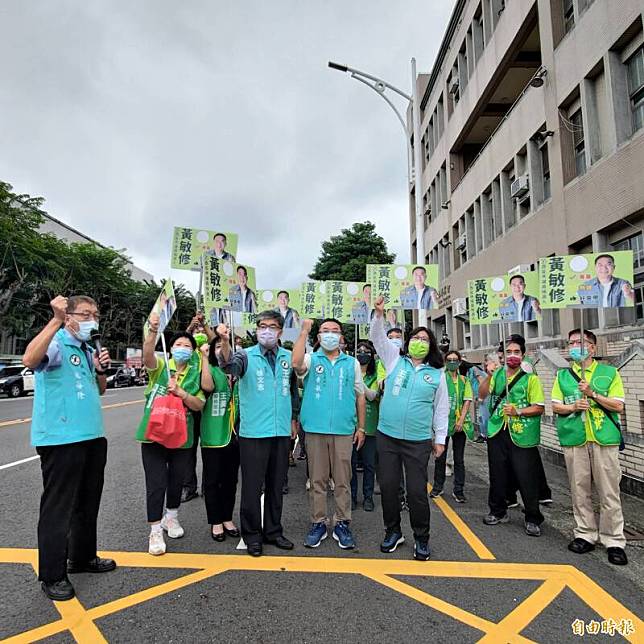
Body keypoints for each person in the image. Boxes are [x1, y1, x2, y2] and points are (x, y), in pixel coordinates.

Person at [23, 295, 116, 601]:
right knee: (58, 507)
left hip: (92, 435)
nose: (93, 320)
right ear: (69, 316)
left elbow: (101, 389)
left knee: (88, 502)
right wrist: (54, 320)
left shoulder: (88, 348)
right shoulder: (58, 341)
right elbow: (29, 360)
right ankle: (52, 575)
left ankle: (82, 557)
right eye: (86, 314)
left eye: (96, 314)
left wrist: (102, 368)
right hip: (61, 438)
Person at [370, 295, 448, 561]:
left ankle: (421, 538)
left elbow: (441, 409)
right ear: (407, 341)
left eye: (424, 340)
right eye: (415, 338)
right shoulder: (394, 360)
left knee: (416, 493)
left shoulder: (437, 373)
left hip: (417, 441)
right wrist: (379, 314)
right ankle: (393, 531)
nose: (418, 343)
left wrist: (439, 438)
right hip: (387, 437)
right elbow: (377, 338)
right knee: (390, 488)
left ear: (431, 346)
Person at [220, 311, 299, 557]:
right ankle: (252, 534)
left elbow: (293, 390)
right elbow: (228, 365)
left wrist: (294, 418)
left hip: (280, 431)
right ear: (256, 330)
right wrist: (224, 342)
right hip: (253, 432)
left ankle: (273, 531)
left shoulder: (288, 357)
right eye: (262, 326)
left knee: (277, 485)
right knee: (252, 487)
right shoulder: (245, 355)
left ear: (280, 332)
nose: (267, 331)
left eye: (272, 327)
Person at [551, 329, 628, 565]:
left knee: (609, 491)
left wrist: (592, 394)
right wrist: (574, 406)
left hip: (604, 438)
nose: (575, 346)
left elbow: (618, 405)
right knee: (579, 489)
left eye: (580, 342)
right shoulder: (563, 376)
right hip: (575, 439)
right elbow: (555, 406)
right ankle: (585, 533)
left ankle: (613, 539)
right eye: (571, 342)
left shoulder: (609, 373)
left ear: (592, 347)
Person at [293, 318, 366, 550]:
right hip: (314, 429)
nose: (330, 334)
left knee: (344, 480)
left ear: (342, 337)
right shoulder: (311, 359)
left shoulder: (351, 363)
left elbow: (360, 395)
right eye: (325, 331)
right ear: (319, 337)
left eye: (335, 331)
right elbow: (295, 364)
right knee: (317, 480)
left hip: (344, 430)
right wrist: (304, 330)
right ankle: (318, 523)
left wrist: (361, 427)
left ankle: (342, 523)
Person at [136, 314, 206, 556]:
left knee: (177, 479)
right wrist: (153, 332)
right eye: (178, 345)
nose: (182, 349)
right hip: (154, 434)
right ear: (171, 348)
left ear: (194, 351)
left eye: (187, 346)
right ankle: (155, 530)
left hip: (182, 435)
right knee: (156, 483)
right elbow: (147, 357)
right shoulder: (162, 366)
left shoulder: (196, 374)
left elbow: (199, 404)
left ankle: (171, 518)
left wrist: (181, 394)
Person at [478, 335, 546, 537]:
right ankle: (498, 511)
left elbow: (539, 407)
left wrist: (518, 412)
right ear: (503, 355)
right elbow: (482, 395)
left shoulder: (530, 379)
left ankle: (533, 517)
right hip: (498, 430)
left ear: (523, 355)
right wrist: (489, 375)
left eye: (517, 352)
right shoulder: (497, 375)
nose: (513, 356)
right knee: (497, 473)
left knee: (526, 476)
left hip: (522, 434)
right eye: (509, 352)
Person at [199, 332, 240, 542]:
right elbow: (207, 387)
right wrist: (205, 358)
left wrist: (225, 339)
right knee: (213, 480)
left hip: (235, 433)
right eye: (215, 347)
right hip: (213, 434)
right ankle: (215, 521)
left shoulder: (236, 372)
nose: (220, 350)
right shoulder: (209, 369)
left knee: (231, 480)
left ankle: (227, 517)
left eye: (223, 347)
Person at [431, 350, 473, 503]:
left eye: (455, 360)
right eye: (449, 359)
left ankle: (459, 490)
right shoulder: (441, 378)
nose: (452, 362)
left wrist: (461, 420)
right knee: (440, 457)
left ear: (460, 362)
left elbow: (467, 400)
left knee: (459, 459)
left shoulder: (464, 380)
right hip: (443, 423)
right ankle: (437, 486)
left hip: (460, 425)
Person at [181, 312, 213, 503]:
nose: (199, 332)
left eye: (202, 330)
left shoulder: (210, 352)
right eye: (196, 330)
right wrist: (189, 327)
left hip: (209, 405)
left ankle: (208, 486)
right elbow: (179, 342)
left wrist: (205, 324)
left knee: (209, 446)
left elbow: (216, 339)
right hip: (191, 405)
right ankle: (188, 486)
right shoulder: (188, 354)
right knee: (189, 448)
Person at [351, 341, 380, 512]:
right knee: (351, 465)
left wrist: (357, 382)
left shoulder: (376, 375)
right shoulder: (350, 370)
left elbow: (371, 396)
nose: (362, 354)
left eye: (366, 351)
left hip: (370, 426)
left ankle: (368, 497)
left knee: (369, 465)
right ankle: (352, 496)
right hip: (350, 425)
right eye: (359, 351)